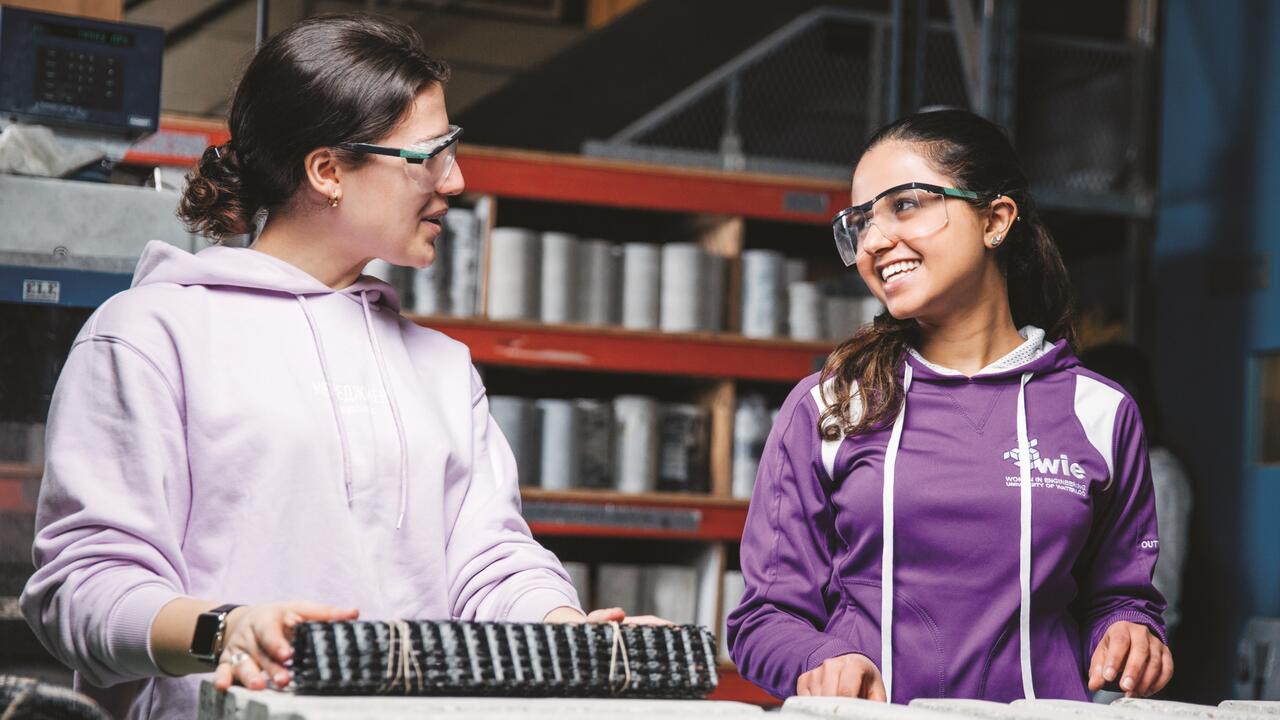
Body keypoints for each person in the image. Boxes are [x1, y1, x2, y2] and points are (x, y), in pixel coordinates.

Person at [20, 14, 645, 720]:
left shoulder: (442, 368)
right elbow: (83, 585)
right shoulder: (151, 335)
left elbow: (490, 562)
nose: (457, 179)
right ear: (327, 171)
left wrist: (564, 635)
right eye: (428, 154)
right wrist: (225, 630)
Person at [726, 110, 1172, 704]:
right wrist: (820, 657)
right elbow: (761, 620)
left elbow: (1120, 596)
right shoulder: (832, 406)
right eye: (860, 223)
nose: (875, 241)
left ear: (995, 220)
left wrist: (1129, 632)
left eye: (905, 205)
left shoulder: (1100, 412)